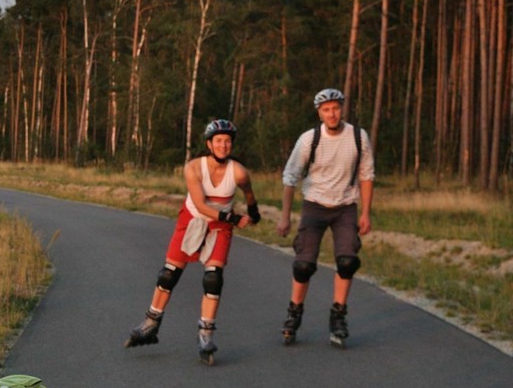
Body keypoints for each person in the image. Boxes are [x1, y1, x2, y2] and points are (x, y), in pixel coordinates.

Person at [124, 119, 261, 365]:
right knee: (168, 274)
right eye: (218, 141)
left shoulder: (238, 171)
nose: (223, 145)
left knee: (213, 278)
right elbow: (200, 204)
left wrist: (254, 214)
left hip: (219, 227)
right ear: (209, 144)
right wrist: (232, 218)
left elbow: (249, 194)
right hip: (192, 219)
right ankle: (151, 322)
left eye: (227, 141)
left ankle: (206, 334)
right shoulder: (194, 168)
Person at [276, 87, 374, 348]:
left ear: (342, 109)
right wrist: (285, 217)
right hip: (314, 205)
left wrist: (365, 213)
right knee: (303, 265)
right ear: (319, 113)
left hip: (345, 206)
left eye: (336, 108)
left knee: (347, 261)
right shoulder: (309, 139)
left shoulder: (358, 136)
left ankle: (338, 316)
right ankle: (294, 314)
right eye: (326, 110)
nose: (332, 114)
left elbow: (367, 175)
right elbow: (290, 177)